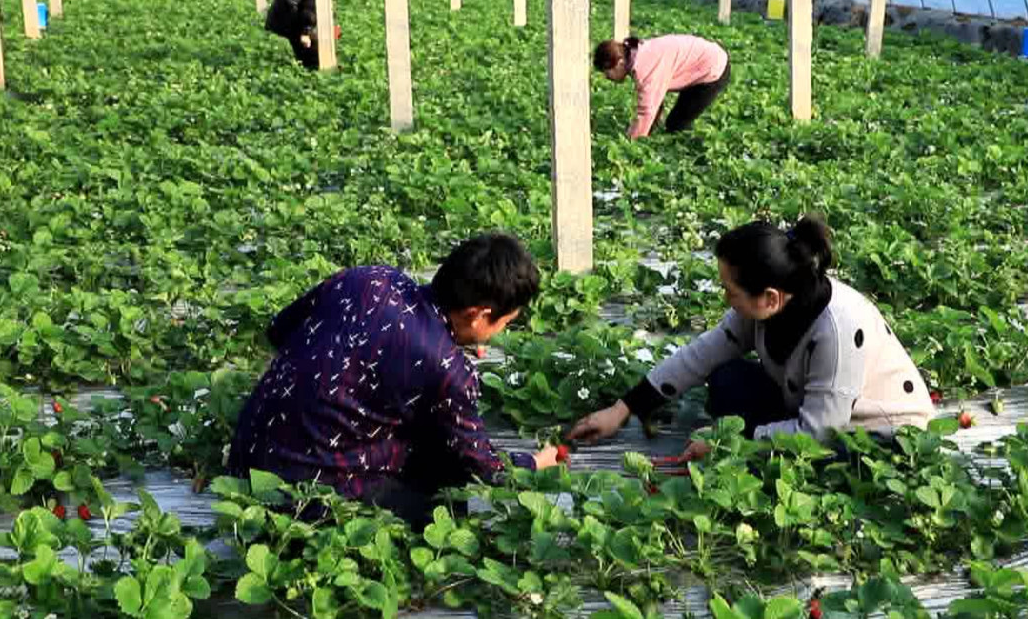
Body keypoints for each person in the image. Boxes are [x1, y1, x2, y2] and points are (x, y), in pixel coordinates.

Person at [229, 233, 563, 525]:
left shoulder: (370, 278)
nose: (498, 333)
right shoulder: (446, 368)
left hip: (247, 453)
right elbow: (484, 469)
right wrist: (534, 462)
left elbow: (278, 331)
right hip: (297, 491)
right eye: (505, 322)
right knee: (446, 496)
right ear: (479, 316)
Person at [567, 217, 934, 459]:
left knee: (822, 459)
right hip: (810, 406)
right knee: (726, 380)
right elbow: (702, 354)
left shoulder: (837, 330)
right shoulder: (771, 303)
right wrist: (623, 409)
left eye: (731, 291)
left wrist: (730, 443)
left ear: (770, 297)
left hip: (877, 431)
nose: (726, 299)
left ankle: (761, 442)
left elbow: (821, 432)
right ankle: (765, 436)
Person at [594, 35, 730, 139]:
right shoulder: (639, 53)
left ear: (619, 63)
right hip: (703, 61)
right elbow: (655, 104)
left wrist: (630, 143)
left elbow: (646, 112)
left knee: (677, 125)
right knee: (675, 121)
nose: (607, 77)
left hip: (713, 68)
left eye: (607, 72)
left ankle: (687, 158)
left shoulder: (646, 68)